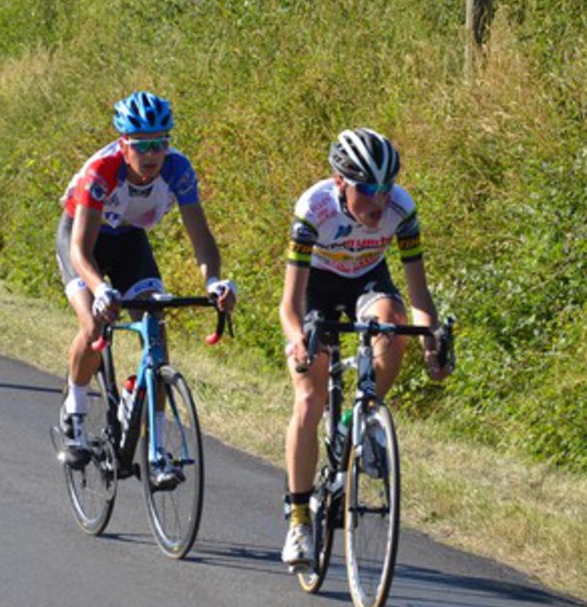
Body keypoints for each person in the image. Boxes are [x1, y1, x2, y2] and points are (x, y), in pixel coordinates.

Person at [277, 128, 451, 569]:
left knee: (392, 327)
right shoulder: (313, 209)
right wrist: (298, 341)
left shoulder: (401, 209)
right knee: (309, 397)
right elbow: (290, 304)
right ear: (340, 182)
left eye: (387, 187)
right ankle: (298, 520)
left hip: (368, 280)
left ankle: (358, 422)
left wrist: (430, 343)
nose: (380, 199)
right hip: (316, 288)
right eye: (368, 189)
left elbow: (419, 298)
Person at [55, 90, 236, 484]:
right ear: (124, 144)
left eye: (160, 143)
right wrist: (100, 289)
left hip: (129, 241)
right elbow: (80, 251)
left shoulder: (177, 169)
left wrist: (213, 281)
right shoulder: (102, 171)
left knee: (156, 331)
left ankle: (155, 450)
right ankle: (75, 411)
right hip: (83, 241)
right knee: (94, 325)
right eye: (141, 145)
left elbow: (201, 237)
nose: (152, 154)